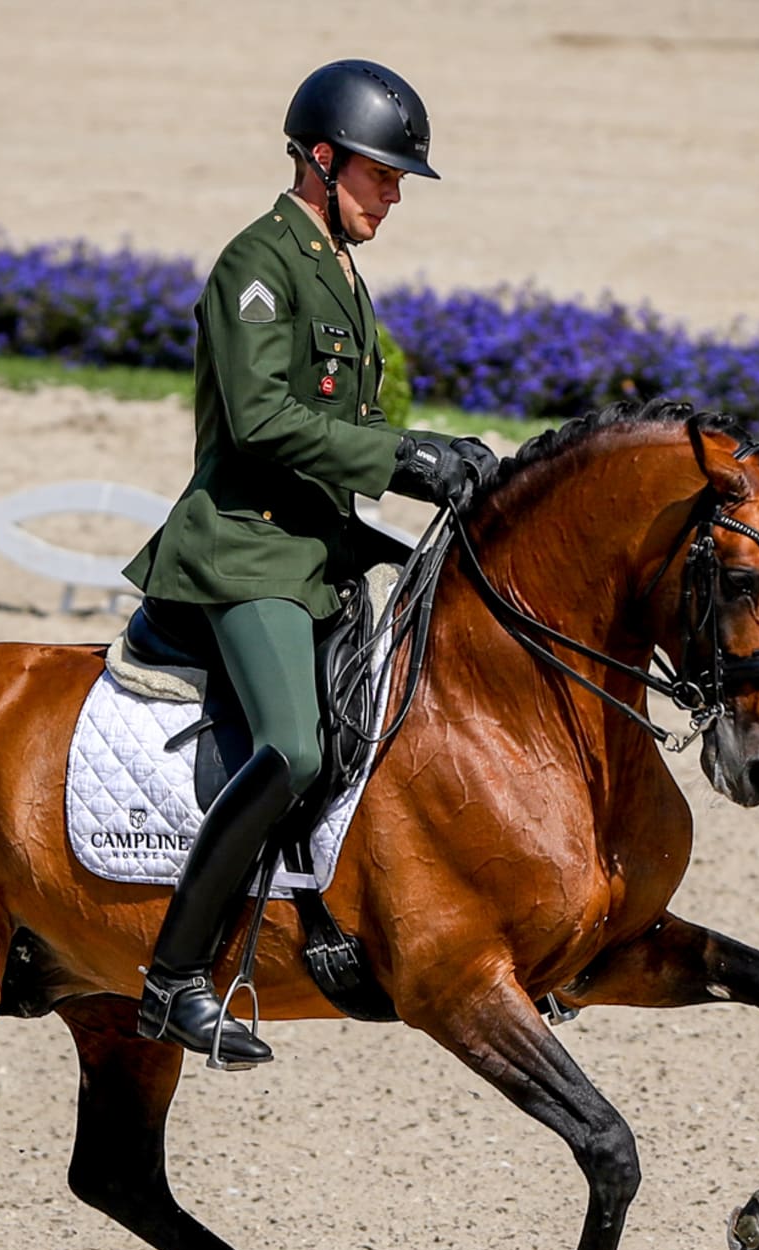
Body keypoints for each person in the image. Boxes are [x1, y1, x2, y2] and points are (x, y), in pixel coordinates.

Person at [120, 59, 499, 1068]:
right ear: (322, 161)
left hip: (318, 552)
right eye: (382, 175)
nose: (394, 196)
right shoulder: (258, 264)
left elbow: (342, 423)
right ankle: (171, 980)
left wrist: (429, 460)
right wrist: (403, 456)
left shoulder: (337, 269)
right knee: (290, 746)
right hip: (246, 552)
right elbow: (260, 422)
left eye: (400, 180)